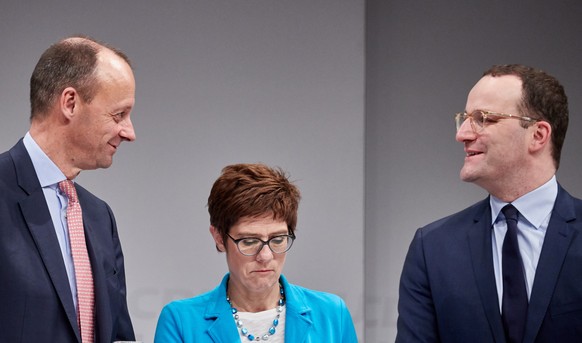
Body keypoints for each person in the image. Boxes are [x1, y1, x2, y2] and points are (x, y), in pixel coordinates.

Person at [396, 64, 582, 342]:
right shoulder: (432, 249)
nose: (463, 134)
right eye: (465, 118)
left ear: (538, 135)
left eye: (483, 118)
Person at [0, 36, 137, 342]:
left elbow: (118, 334)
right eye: (119, 115)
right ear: (70, 103)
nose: (129, 132)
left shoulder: (101, 217)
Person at [154, 163, 358, 342]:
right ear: (218, 238)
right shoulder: (180, 320)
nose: (266, 256)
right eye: (250, 241)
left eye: (278, 240)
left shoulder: (332, 314)